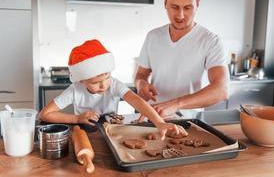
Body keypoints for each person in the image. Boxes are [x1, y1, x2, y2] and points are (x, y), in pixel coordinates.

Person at [39, 39, 187, 139]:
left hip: (112, 133)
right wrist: (77, 118)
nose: (104, 85)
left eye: (107, 77)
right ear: (82, 81)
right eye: (96, 82)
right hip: (84, 134)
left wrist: (159, 122)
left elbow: (136, 100)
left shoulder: (114, 84)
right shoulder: (75, 90)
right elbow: (45, 114)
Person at [135, 0, 229, 119]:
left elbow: (221, 90)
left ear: (197, 4)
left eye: (187, 7)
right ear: (165, 3)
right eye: (174, 7)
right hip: (152, 117)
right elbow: (141, 75)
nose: (180, 15)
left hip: (190, 121)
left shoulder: (210, 41)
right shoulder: (153, 36)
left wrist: (175, 104)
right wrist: (141, 85)